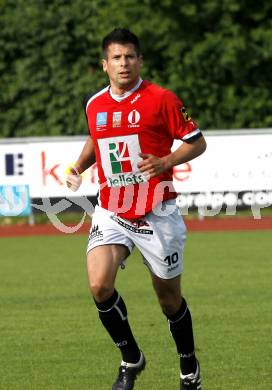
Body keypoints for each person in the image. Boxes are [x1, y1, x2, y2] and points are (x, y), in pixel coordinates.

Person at [66, 28, 206, 390]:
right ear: (104, 65)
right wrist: (78, 168)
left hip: (157, 212)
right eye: (116, 57)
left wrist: (165, 161)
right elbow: (96, 139)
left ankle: (188, 365)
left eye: (130, 56)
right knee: (99, 285)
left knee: (169, 300)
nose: (123, 63)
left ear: (139, 60)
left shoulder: (161, 99)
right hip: (112, 209)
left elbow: (196, 142)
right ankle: (131, 358)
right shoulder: (95, 104)